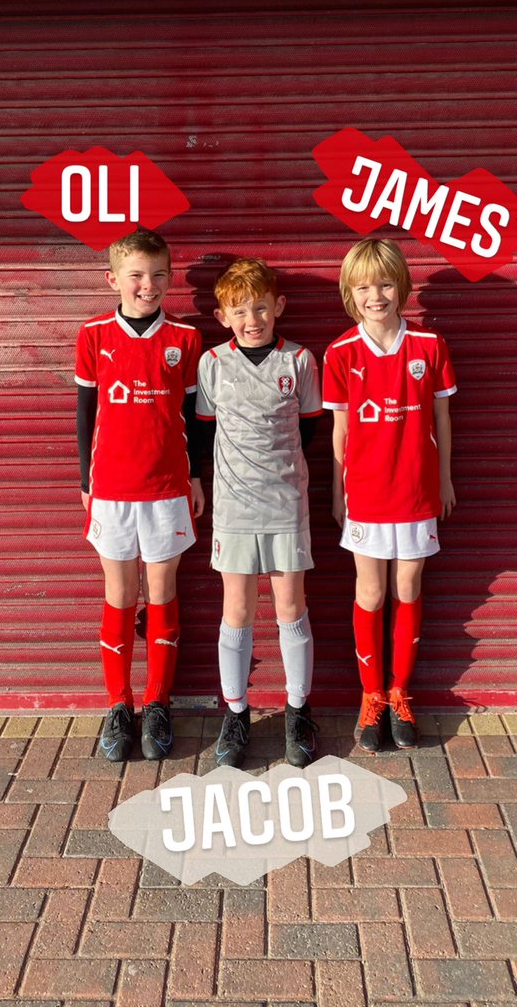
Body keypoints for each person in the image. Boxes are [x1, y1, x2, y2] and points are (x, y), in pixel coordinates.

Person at [75, 228, 203, 763]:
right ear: (113, 279)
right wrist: (86, 480)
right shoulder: (93, 334)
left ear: (170, 278)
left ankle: (157, 703)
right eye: (136, 275)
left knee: (163, 590)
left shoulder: (186, 340)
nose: (147, 285)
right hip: (111, 490)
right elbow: (85, 413)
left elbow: (198, 420)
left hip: (168, 487)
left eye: (157, 275)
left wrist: (196, 478)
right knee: (120, 595)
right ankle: (119, 704)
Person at [323, 238, 456, 751]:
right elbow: (340, 430)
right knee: (371, 593)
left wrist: (443, 479)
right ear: (350, 293)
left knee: (408, 588)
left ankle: (401, 694)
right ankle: (371, 696)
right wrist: (338, 492)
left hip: (417, 492)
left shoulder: (429, 347)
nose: (375, 295)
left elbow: (442, 418)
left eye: (384, 284)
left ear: (401, 286)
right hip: (367, 495)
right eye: (364, 287)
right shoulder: (341, 352)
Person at [196, 258, 323, 768]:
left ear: (279, 308)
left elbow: (311, 427)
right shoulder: (212, 363)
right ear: (223, 315)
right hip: (233, 507)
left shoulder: (299, 361)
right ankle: (236, 713)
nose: (254, 319)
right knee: (238, 610)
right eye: (241, 310)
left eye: (262, 308)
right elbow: (205, 430)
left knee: (291, 606)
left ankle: (297, 710)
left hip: (286, 504)